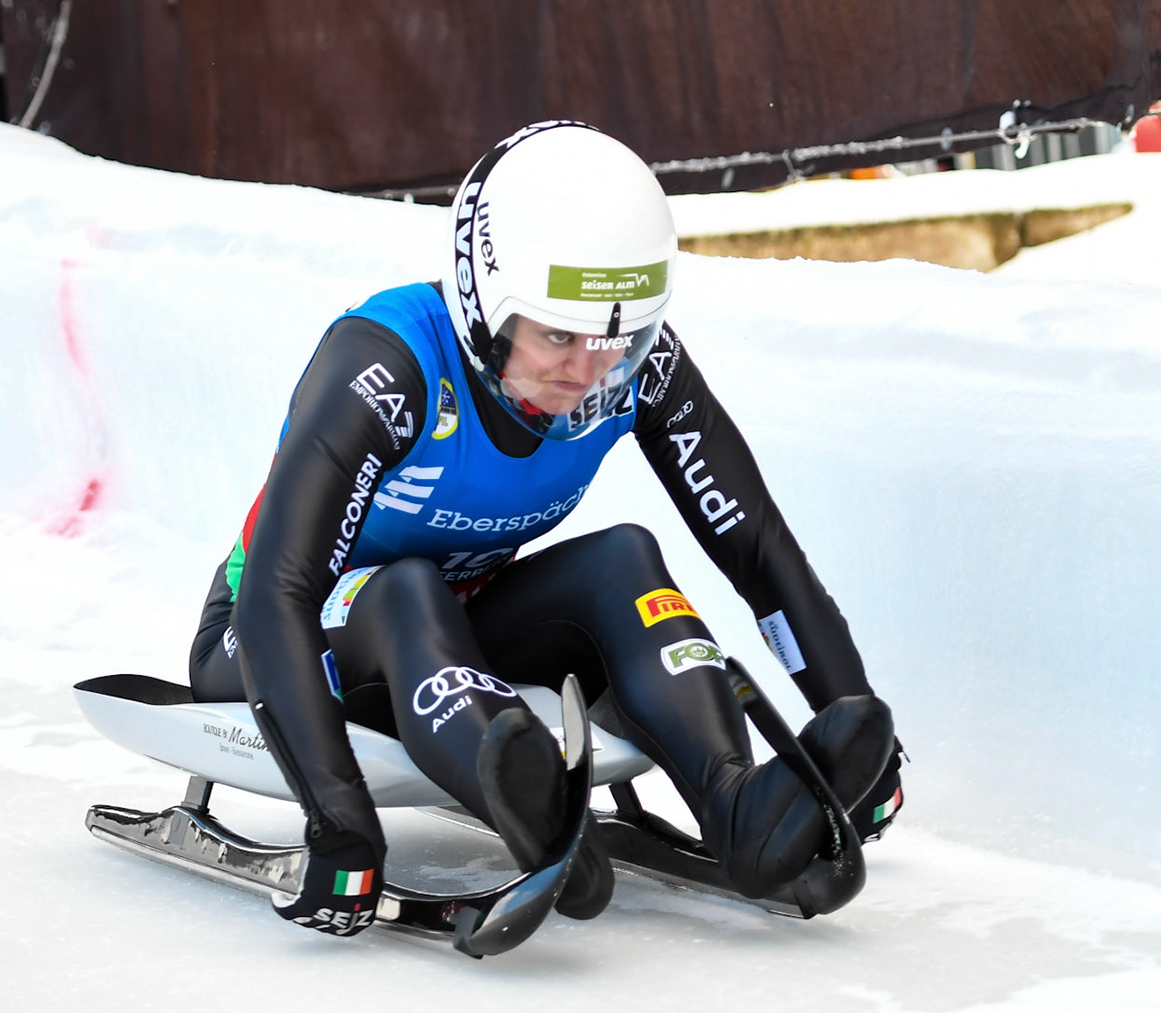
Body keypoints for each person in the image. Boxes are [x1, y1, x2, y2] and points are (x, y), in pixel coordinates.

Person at [189, 121, 902, 938]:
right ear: (485, 303)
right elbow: (278, 591)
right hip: (271, 635)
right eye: (558, 336)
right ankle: (526, 799)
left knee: (623, 559)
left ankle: (732, 801)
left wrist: (856, 728)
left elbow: (756, 546)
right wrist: (341, 824)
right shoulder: (386, 365)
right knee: (402, 589)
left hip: (454, 637)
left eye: (617, 341)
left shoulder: (628, 363)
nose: (588, 371)